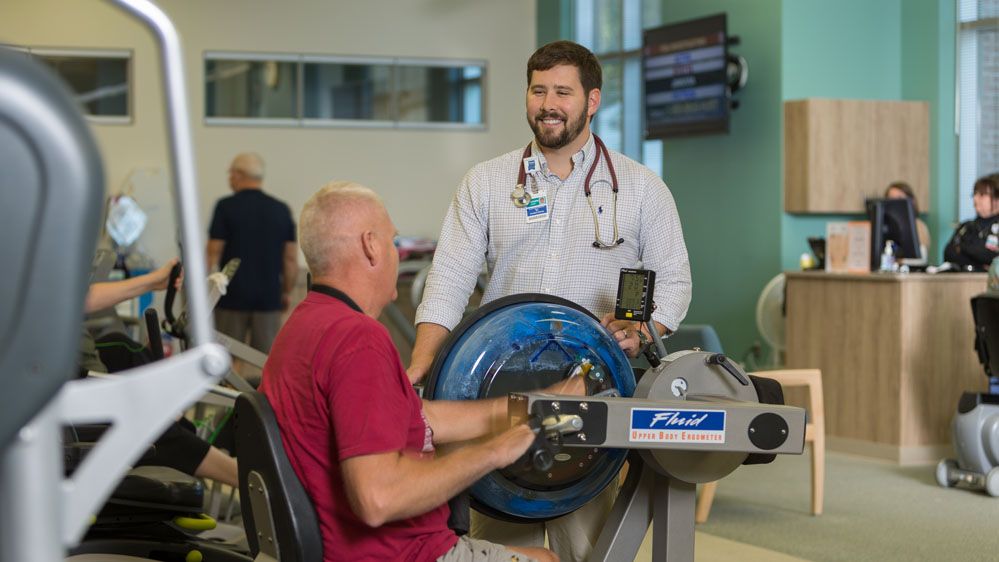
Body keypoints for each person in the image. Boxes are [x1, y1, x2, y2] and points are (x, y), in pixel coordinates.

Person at [408, 40, 692, 562]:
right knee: (499, 542)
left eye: (563, 91)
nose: (548, 104)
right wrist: (421, 365)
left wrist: (644, 329)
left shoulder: (641, 188)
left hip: (594, 385)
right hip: (497, 382)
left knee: (586, 542)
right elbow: (448, 279)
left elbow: (674, 282)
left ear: (593, 100)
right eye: (538, 90)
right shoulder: (487, 183)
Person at [260, 181, 581, 562]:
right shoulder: (359, 340)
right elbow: (378, 499)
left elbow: (420, 418)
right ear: (371, 246)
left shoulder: (304, 325)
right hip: (398, 554)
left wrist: (536, 406)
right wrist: (495, 449)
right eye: (393, 241)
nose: (396, 254)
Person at [80, 259, 238, 487]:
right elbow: (83, 300)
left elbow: (83, 297)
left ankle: (177, 423)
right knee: (150, 421)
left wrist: (154, 281)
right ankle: (236, 474)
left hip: (80, 362)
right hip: (69, 380)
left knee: (121, 346)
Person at [206, 152, 298, 353]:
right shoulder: (281, 210)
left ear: (239, 175)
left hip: (230, 299)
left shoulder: (225, 207)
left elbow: (213, 254)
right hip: (268, 300)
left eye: (230, 173)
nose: (229, 178)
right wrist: (286, 292)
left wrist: (210, 292)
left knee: (224, 361)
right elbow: (290, 259)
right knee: (269, 362)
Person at [944, 176, 999, 272]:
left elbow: (991, 257)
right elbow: (948, 253)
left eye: (982, 195)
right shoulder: (966, 226)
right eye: (975, 194)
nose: (975, 198)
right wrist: (980, 263)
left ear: (997, 199)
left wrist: (961, 248)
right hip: (964, 280)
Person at [884, 181, 930, 259]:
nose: (895, 204)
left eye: (899, 199)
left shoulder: (919, 226)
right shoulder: (882, 226)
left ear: (911, 202)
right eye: (891, 199)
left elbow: (922, 256)